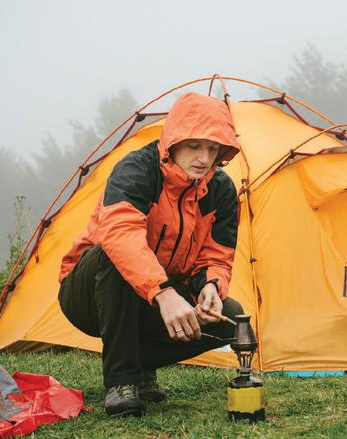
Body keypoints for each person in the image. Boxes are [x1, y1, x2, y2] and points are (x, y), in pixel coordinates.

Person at [57, 92, 244, 417]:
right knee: (114, 255)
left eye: (214, 148)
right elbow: (119, 233)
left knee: (230, 319)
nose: (204, 157)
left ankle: (139, 364)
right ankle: (122, 380)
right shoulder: (137, 169)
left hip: (153, 295)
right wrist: (164, 293)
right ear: (174, 140)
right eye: (196, 145)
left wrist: (209, 288)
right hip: (89, 292)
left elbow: (217, 255)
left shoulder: (221, 190)